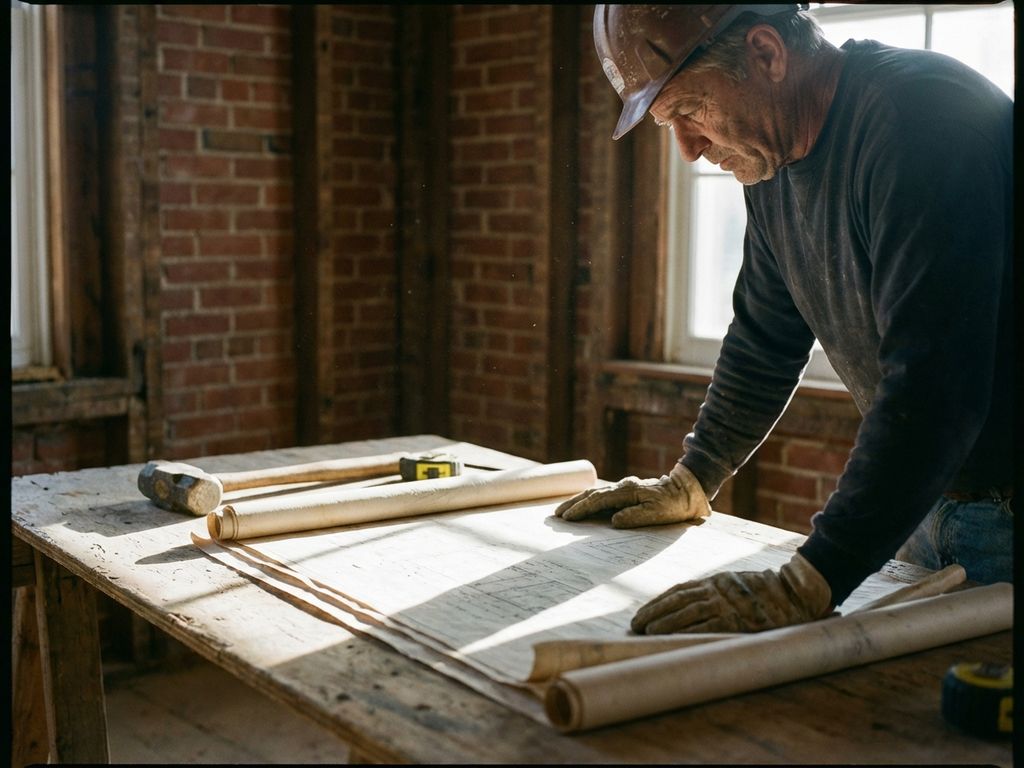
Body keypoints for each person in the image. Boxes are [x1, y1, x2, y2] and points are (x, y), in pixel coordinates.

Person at [556, 4, 1014, 635]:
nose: (688, 149)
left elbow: (936, 385)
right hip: (924, 501)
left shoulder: (924, 122)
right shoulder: (770, 161)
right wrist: (696, 476)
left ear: (767, 54)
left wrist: (814, 576)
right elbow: (765, 338)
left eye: (689, 112)